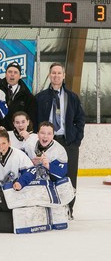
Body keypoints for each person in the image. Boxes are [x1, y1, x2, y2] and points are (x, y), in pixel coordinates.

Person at [35, 62, 85, 219]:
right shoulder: (40, 97)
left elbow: (80, 119)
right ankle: (50, 208)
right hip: (47, 142)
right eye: (53, 73)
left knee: (70, 176)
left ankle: (69, 208)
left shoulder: (72, 97)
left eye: (59, 73)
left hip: (68, 142)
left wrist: (76, 140)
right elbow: (36, 120)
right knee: (47, 174)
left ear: (64, 76)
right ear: (49, 75)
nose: (56, 76)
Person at [0, 62, 36, 131]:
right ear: (5, 74)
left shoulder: (28, 96)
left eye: (15, 72)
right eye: (10, 72)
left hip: (18, 135)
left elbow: (31, 119)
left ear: (20, 76)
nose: (12, 74)